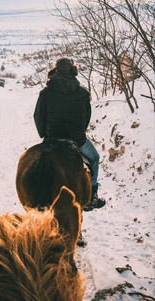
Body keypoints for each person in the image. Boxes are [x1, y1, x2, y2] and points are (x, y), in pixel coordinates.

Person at [33, 57, 105, 211]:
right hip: (76, 139)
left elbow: (38, 116)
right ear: (73, 71)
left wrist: (43, 134)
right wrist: (78, 133)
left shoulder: (45, 92)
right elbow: (86, 117)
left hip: (52, 137)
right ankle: (92, 196)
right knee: (94, 158)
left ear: (55, 70)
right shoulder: (83, 93)